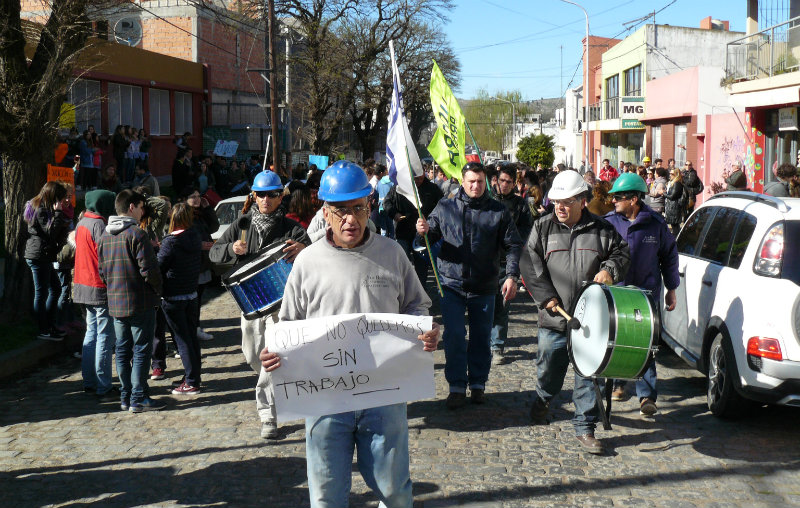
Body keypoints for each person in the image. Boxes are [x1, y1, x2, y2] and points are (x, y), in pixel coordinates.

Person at [259, 160, 439, 508]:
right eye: (340, 210)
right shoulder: (307, 263)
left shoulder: (393, 254)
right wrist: (274, 353)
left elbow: (418, 306)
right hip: (324, 401)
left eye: (358, 208)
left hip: (383, 397)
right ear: (324, 212)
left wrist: (427, 332)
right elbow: (288, 327)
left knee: (395, 493)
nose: (350, 219)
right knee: (326, 497)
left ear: (369, 207)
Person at [519, 170, 629, 455]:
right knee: (549, 371)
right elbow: (529, 265)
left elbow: (621, 253)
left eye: (567, 201)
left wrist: (609, 269)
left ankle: (585, 427)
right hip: (554, 318)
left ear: (582, 200)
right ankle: (543, 398)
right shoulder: (542, 228)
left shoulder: (602, 230)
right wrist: (546, 298)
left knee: (588, 373)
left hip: (590, 320)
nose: (560, 207)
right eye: (556, 201)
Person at [209, 170, 310, 439]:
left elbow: (315, 261)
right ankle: (278, 385)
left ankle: (268, 416)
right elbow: (214, 253)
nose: (266, 199)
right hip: (251, 304)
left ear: (280, 197)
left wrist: (304, 251)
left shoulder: (292, 228)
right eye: (261, 194)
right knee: (253, 355)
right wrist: (232, 250)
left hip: (282, 306)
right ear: (254, 195)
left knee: (269, 360)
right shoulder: (241, 225)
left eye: (272, 194)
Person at [416, 162, 523, 409]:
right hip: (451, 284)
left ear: (487, 182)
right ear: (462, 181)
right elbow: (428, 236)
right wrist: (422, 231)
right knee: (454, 335)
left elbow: (513, 245)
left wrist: (511, 275)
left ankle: (477, 384)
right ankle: (455, 386)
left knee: (481, 337)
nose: (475, 186)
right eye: (471, 181)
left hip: (484, 285)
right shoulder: (445, 207)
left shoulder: (498, 211)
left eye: (480, 182)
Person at [604, 174, 680, 416]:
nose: (614, 200)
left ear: (634, 199)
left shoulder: (656, 224)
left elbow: (669, 257)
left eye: (619, 197)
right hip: (616, 294)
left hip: (646, 295)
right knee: (615, 339)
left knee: (645, 342)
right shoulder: (609, 223)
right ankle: (617, 383)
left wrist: (672, 289)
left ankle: (646, 395)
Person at [98, 189, 165, 413]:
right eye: (141, 207)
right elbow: (149, 270)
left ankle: (126, 397)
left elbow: (102, 272)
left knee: (124, 350)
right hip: (140, 302)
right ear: (131, 208)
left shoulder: (105, 236)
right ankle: (138, 397)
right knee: (141, 350)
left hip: (116, 303)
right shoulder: (137, 234)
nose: (143, 211)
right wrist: (158, 289)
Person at [74, 190, 118, 399]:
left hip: (82, 285)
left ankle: (89, 381)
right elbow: (105, 255)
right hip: (98, 285)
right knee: (104, 336)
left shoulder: (82, 222)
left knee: (91, 334)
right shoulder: (99, 224)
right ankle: (103, 384)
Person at [158, 203, 204, 395]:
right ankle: (193, 376)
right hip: (191, 294)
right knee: (191, 337)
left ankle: (191, 381)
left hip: (173, 296)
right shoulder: (194, 237)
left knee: (182, 339)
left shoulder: (171, 242)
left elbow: (159, 266)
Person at [491, 165, 534, 364]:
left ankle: (497, 345)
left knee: (503, 305)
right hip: (485, 262)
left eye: (509, 182)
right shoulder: (487, 201)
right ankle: (482, 343)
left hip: (507, 261)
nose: (505, 185)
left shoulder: (520, 204)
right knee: (483, 306)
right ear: (496, 181)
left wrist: (514, 236)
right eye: (502, 181)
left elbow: (527, 226)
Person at [24, 181, 70, 340]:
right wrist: (58, 213)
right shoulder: (41, 207)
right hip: (38, 254)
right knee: (42, 292)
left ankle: (50, 325)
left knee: (55, 288)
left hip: (42, 254)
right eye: (61, 198)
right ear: (53, 196)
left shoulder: (37, 204)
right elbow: (50, 231)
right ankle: (43, 329)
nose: (63, 201)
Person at [383, 173, 443, 285]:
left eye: (420, 178)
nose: (418, 181)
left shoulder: (432, 188)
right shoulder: (398, 187)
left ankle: (421, 291)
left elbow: (442, 204)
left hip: (423, 234)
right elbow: (386, 203)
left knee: (421, 267)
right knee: (402, 264)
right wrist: (394, 214)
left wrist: (433, 220)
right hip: (402, 231)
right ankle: (404, 290)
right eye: (415, 179)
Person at [664, 167, 686, 234]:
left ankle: (677, 241)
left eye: (672, 174)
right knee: (674, 226)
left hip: (675, 207)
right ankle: (677, 240)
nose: (670, 175)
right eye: (669, 173)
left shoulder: (677, 183)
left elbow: (672, 196)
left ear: (676, 175)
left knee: (675, 227)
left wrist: (663, 194)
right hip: (672, 207)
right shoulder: (673, 183)